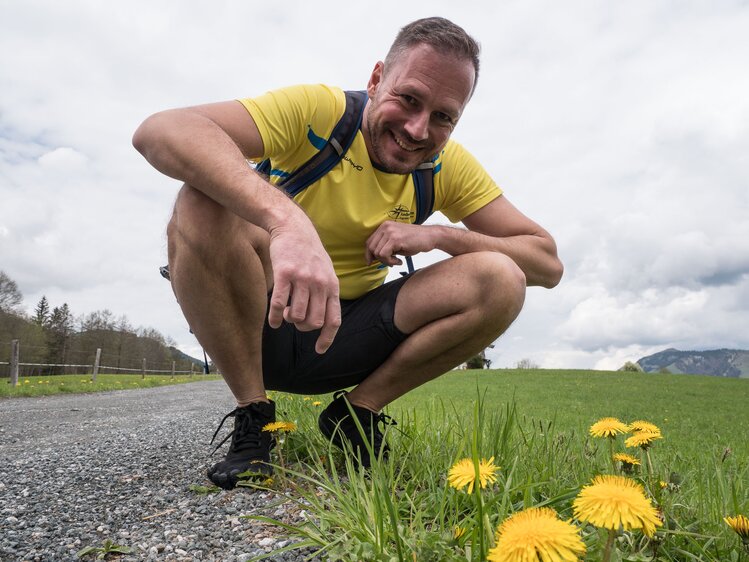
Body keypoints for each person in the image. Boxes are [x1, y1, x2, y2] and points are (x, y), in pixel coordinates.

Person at [133, 17, 563, 490]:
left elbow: (546, 263)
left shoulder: (446, 167)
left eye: (443, 116)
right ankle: (253, 416)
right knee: (200, 198)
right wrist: (288, 222)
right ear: (377, 79)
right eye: (409, 99)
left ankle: (356, 415)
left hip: (347, 337)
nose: (418, 129)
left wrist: (442, 236)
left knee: (501, 277)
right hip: (258, 324)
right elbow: (160, 130)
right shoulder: (320, 112)